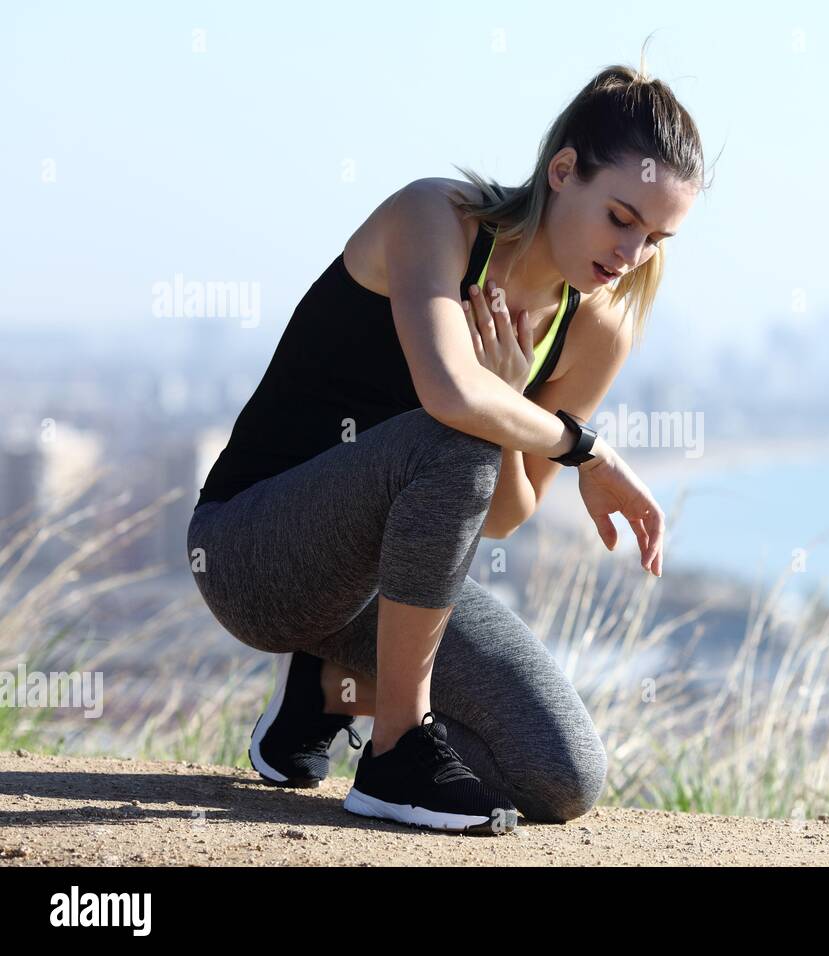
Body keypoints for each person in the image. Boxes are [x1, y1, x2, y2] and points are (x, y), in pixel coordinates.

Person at [185, 56, 706, 835]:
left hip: (381, 588)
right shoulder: (435, 219)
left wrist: (506, 407)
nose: (629, 255)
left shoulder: (594, 328)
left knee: (565, 776)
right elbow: (450, 397)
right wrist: (582, 449)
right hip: (251, 552)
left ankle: (326, 692)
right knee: (454, 431)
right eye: (621, 218)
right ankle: (396, 754)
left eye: (656, 238)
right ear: (563, 171)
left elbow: (501, 517)